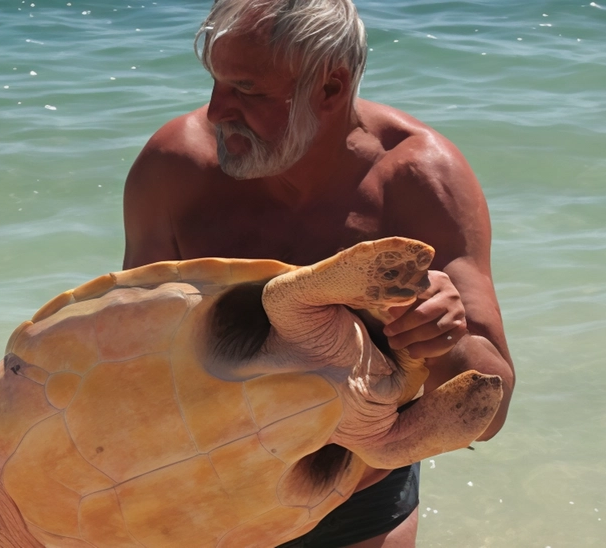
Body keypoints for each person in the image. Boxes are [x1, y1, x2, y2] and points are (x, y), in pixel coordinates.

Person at [121, 0, 515, 546]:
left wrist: (445, 338)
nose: (215, 111)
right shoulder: (175, 168)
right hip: (199, 479)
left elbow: (490, 406)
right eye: (214, 81)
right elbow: (132, 353)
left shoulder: (419, 179)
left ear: (330, 88)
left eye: (247, 89)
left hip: (357, 490)